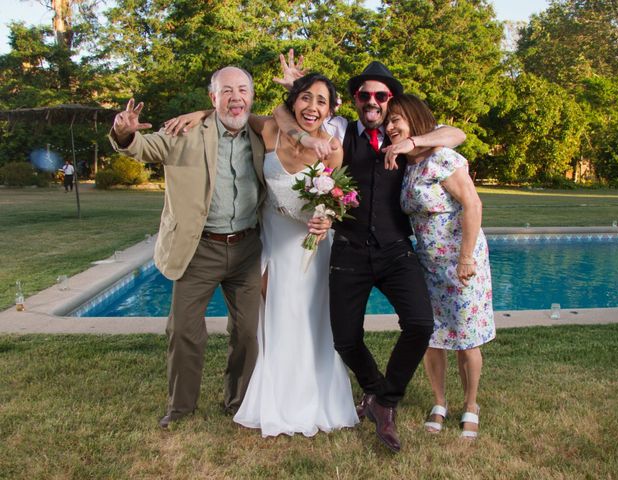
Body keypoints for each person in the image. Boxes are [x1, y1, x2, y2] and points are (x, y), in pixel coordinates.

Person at [273, 60, 467, 452]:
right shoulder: (341, 129)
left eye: (381, 95)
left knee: (419, 322)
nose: (373, 101)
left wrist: (411, 143)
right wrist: (297, 91)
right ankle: (377, 391)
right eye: (365, 95)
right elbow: (281, 114)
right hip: (349, 250)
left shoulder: (406, 133)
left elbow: (456, 132)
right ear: (356, 100)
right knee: (345, 339)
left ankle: (386, 400)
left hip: (396, 251)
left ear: (390, 100)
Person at [109, 66, 267, 429]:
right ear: (213, 98)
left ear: (252, 96)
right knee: (183, 329)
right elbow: (144, 147)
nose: (236, 97)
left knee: (247, 332)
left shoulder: (260, 134)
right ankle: (181, 408)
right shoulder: (186, 132)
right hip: (199, 248)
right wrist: (124, 133)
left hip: (246, 249)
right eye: (227, 91)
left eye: (243, 90)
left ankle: (238, 401)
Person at [232, 72, 358, 437]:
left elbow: (337, 198)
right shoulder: (272, 130)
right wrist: (199, 115)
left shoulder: (333, 148)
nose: (312, 107)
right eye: (305, 98)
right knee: (276, 317)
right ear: (292, 101)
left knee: (309, 320)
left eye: (321, 101)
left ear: (331, 109)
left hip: (310, 249)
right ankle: (276, 399)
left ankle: (313, 400)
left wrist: (327, 221)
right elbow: (242, 117)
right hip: (272, 242)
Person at [386, 94, 495, 440]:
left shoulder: (442, 158)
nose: (390, 127)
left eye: (396, 120)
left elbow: (472, 204)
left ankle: (471, 404)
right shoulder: (410, 164)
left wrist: (465, 258)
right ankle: (439, 402)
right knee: (433, 336)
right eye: (388, 121)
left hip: (462, 262)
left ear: (415, 121)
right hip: (428, 264)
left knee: (466, 337)